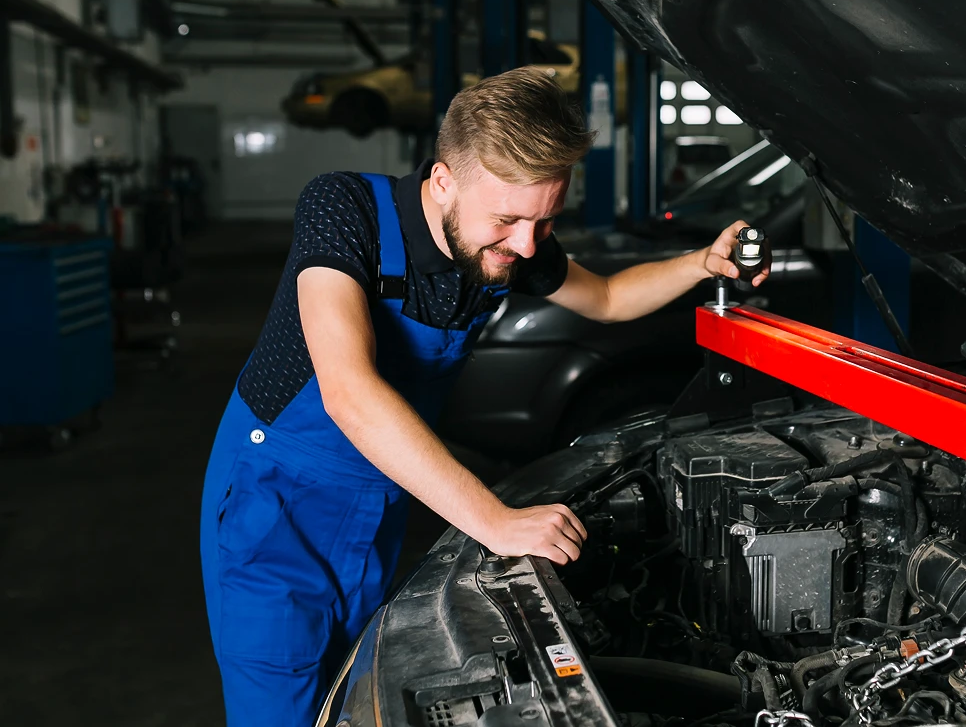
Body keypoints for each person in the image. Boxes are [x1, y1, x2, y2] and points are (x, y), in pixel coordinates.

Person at [198, 67, 770, 726]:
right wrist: (493, 519)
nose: (526, 244)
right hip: (277, 508)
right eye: (507, 219)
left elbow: (609, 299)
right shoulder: (343, 212)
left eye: (545, 221)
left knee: (355, 702)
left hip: (375, 504)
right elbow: (349, 392)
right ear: (442, 180)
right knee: (282, 708)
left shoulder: (513, 241)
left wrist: (703, 262)